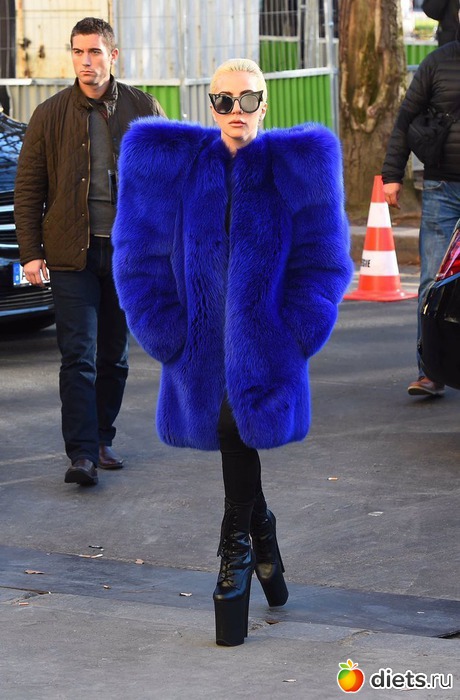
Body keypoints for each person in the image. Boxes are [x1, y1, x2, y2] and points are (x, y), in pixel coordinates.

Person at [111, 58, 352, 646]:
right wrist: (164, 330)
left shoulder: (293, 170)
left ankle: (236, 550)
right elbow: (136, 254)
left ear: (264, 105)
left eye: (247, 100)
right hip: (197, 348)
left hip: (265, 347)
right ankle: (258, 530)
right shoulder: (179, 168)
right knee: (229, 427)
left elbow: (324, 262)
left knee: (234, 427)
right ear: (210, 105)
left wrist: (295, 332)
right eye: (224, 100)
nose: (235, 111)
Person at [14, 17, 165, 486]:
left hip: (125, 255)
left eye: (95, 51)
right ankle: (81, 454)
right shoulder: (49, 114)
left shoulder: (144, 108)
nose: (86, 61)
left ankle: (102, 438)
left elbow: (164, 184)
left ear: (112, 55)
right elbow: (29, 188)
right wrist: (30, 252)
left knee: (114, 357)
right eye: (78, 52)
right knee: (77, 355)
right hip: (69, 254)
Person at [382, 39, 460, 397]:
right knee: (432, 282)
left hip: (441, 186)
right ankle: (429, 371)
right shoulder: (436, 62)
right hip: (442, 188)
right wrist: (392, 175)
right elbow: (405, 118)